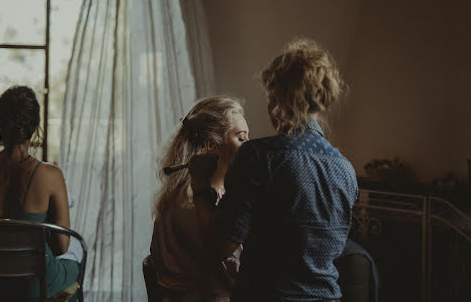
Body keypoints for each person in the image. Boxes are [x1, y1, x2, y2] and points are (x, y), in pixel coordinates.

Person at [191, 38, 358, 302]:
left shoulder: (259, 157)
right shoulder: (346, 170)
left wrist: (200, 185)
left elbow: (220, 246)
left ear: (277, 99)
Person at [0, 86, 80, 301]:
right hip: (34, 285)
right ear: (34, 126)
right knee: (76, 261)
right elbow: (62, 247)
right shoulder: (50, 175)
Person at [149, 96, 249, 302]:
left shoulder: (205, 199)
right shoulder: (189, 207)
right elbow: (234, 276)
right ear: (211, 145)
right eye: (241, 138)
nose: (249, 145)